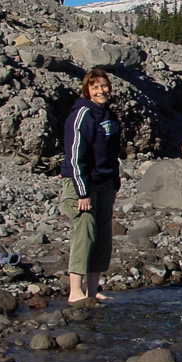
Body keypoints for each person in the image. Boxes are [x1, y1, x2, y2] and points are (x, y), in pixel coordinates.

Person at [59, 69, 121, 304]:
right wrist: (82, 192)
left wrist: (115, 182)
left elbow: (112, 152)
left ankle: (93, 289)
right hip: (82, 184)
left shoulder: (110, 116)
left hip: (105, 183)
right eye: (95, 87)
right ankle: (75, 290)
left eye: (103, 86)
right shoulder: (81, 115)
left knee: (102, 235)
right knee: (85, 232)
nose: (100, 91)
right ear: (87, 90)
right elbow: (75, 156)